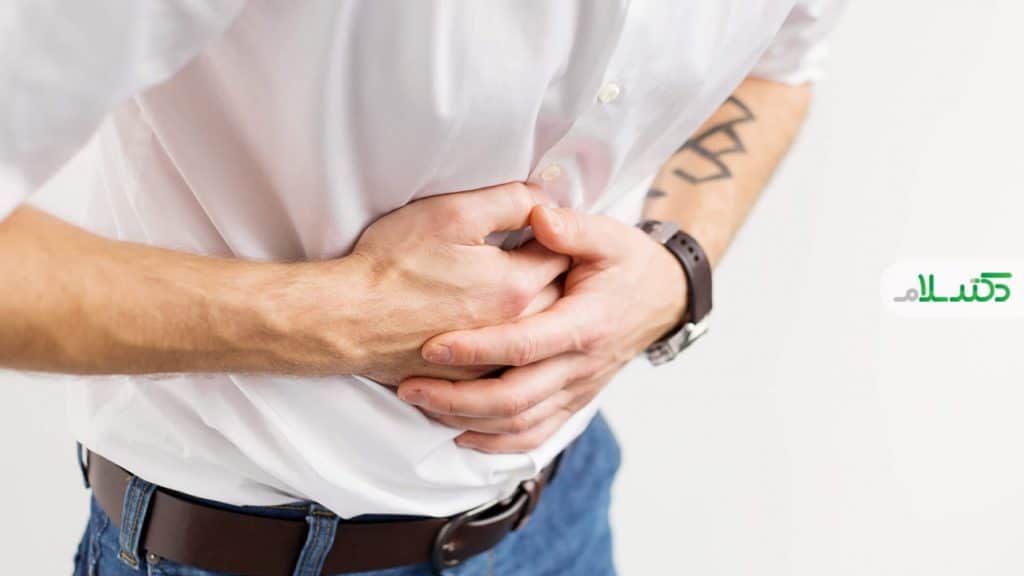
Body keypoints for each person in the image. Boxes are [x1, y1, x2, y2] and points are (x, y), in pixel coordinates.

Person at [0, 1, 845, 574]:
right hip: (247, 545)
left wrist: (673, 273)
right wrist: (343, 317)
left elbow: (778, 67)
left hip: (561, 509)